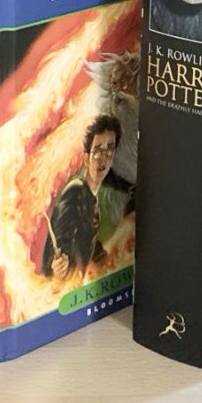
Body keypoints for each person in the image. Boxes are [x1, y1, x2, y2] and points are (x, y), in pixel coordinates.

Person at [42, 114, 134, 280]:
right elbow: (60, 243)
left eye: (109, 149)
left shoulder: (92, 193)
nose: (103, 158)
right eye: (97, 150)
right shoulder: (75, 192)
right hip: (62, 285)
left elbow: (85, 240)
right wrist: (58, 265)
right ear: (86, 158)